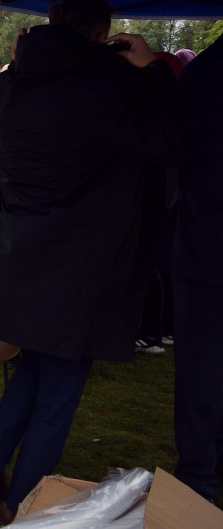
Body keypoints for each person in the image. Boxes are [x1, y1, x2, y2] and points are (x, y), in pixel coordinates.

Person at [0, 0, 181, 526]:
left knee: (33, 361)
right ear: (103, 33)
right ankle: (25, 504)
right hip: (78, 260)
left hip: (22, 254)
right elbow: (169, 140)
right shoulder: (112, 83)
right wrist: (150, 70)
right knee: (60, 384)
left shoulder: (13, 80)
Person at [167, 34, 223, 504]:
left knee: (202, 373)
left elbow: (175, 155)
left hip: (206, 247)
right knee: (203, 373)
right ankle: (201, 479)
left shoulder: (204, 75)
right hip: (206, 245)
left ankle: (200, 479)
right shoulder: (204, 74)